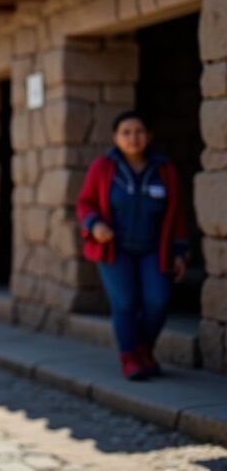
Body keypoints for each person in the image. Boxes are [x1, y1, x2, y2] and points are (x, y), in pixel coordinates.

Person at [77, 110, 189, 381]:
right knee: (125, 303)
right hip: (116, 249)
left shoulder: (164, 169)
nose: (133, 138)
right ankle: (130, 358)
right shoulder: (103, 167)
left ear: (149, 136)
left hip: (154, 249)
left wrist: (180, 251)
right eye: (126, 132)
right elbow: (85, 202)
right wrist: (94, 224)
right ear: (116, 137)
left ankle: (144, 349)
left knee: (158, 301)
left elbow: (177, 212)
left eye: (139, 132)